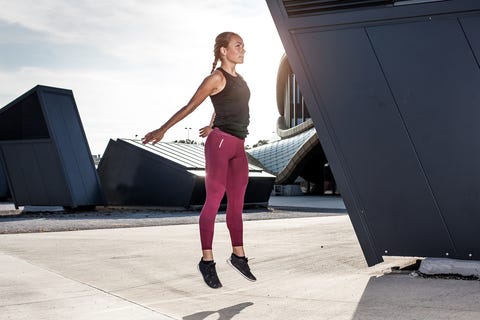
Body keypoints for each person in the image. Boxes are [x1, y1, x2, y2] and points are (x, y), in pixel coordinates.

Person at [142, 31, 256, 289]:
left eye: (243, 46)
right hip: (220, 145)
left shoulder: (240, 78)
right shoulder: (215, 77)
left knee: (237, 204)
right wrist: (163, 129)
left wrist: (212, 122)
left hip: (238, 145)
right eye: (238, 46)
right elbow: (190, 106)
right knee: (214, 201)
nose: (243, 50)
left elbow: (225, 105)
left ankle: (238, 256)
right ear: (224, 51)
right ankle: (207, 261)